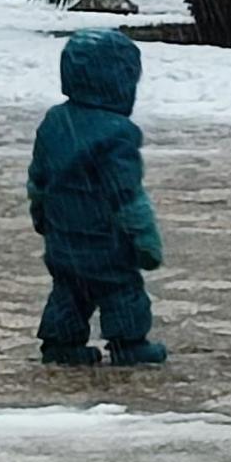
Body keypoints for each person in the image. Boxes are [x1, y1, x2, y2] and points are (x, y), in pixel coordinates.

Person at [26, 30, 168, 367]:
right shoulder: (118, 133)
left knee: (69, 291)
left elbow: (38, 180)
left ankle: (61, 343)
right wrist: (146, 240)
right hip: (105, 239)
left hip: (64, 235)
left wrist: (41, 216)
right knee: (123, 291)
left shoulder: (55, 121)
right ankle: (129, 344)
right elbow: (126, 195)